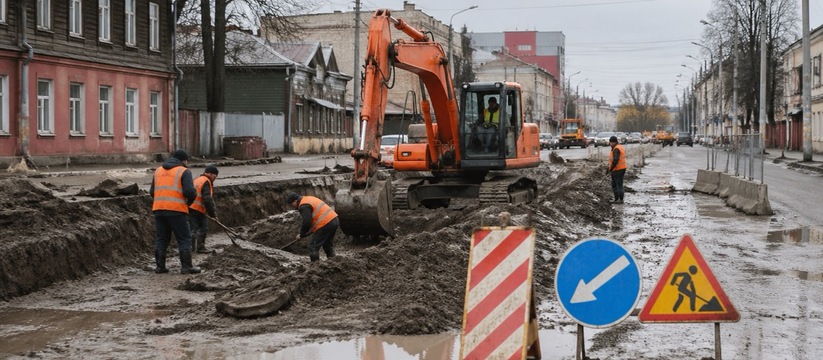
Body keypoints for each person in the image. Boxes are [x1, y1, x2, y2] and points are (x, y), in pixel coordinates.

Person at [149, 149, 201, 274]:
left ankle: (160, 267)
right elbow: (190, 191)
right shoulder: (184, 171)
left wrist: (161, 202)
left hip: (159, 209)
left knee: (162, 238)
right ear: (184, 160)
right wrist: (187, 204)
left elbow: (152, 192)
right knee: (184, 238)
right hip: (177, 210)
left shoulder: (158, 170)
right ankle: (186, 267)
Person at [287, 192, 339, 262]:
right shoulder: (308, 199)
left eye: (291, 205)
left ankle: (315, 267)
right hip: (334, 219)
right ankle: (334, 262)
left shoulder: (303, 206)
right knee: (327, 245)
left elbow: (307, 222)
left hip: (325, 223)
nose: (292, 207)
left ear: (295, 201)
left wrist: (301, 234)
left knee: (313, 247)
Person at [189, 165, 219, 253]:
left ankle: (190, 249)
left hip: (190, 207)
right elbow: (207, 199)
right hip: (197, 209)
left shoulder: (197, 179)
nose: (215, 178)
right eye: (215, 176)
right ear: (210, 174)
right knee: (203, 228)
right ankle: (199, 248)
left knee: (192, 229)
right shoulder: (206, 182)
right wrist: (212, 214)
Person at [607, 136, 627, 204]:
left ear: (613, 142)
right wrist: (608, 168)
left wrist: (611, 169)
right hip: (622, 168)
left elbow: (615, 160)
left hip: (617, 169)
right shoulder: (619, 147)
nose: (609, 144)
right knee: (619, 184)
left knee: (616, 185)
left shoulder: (616, 149)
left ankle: (618, 199)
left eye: (610, 142)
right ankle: (619, 199)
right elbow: (612, 161)